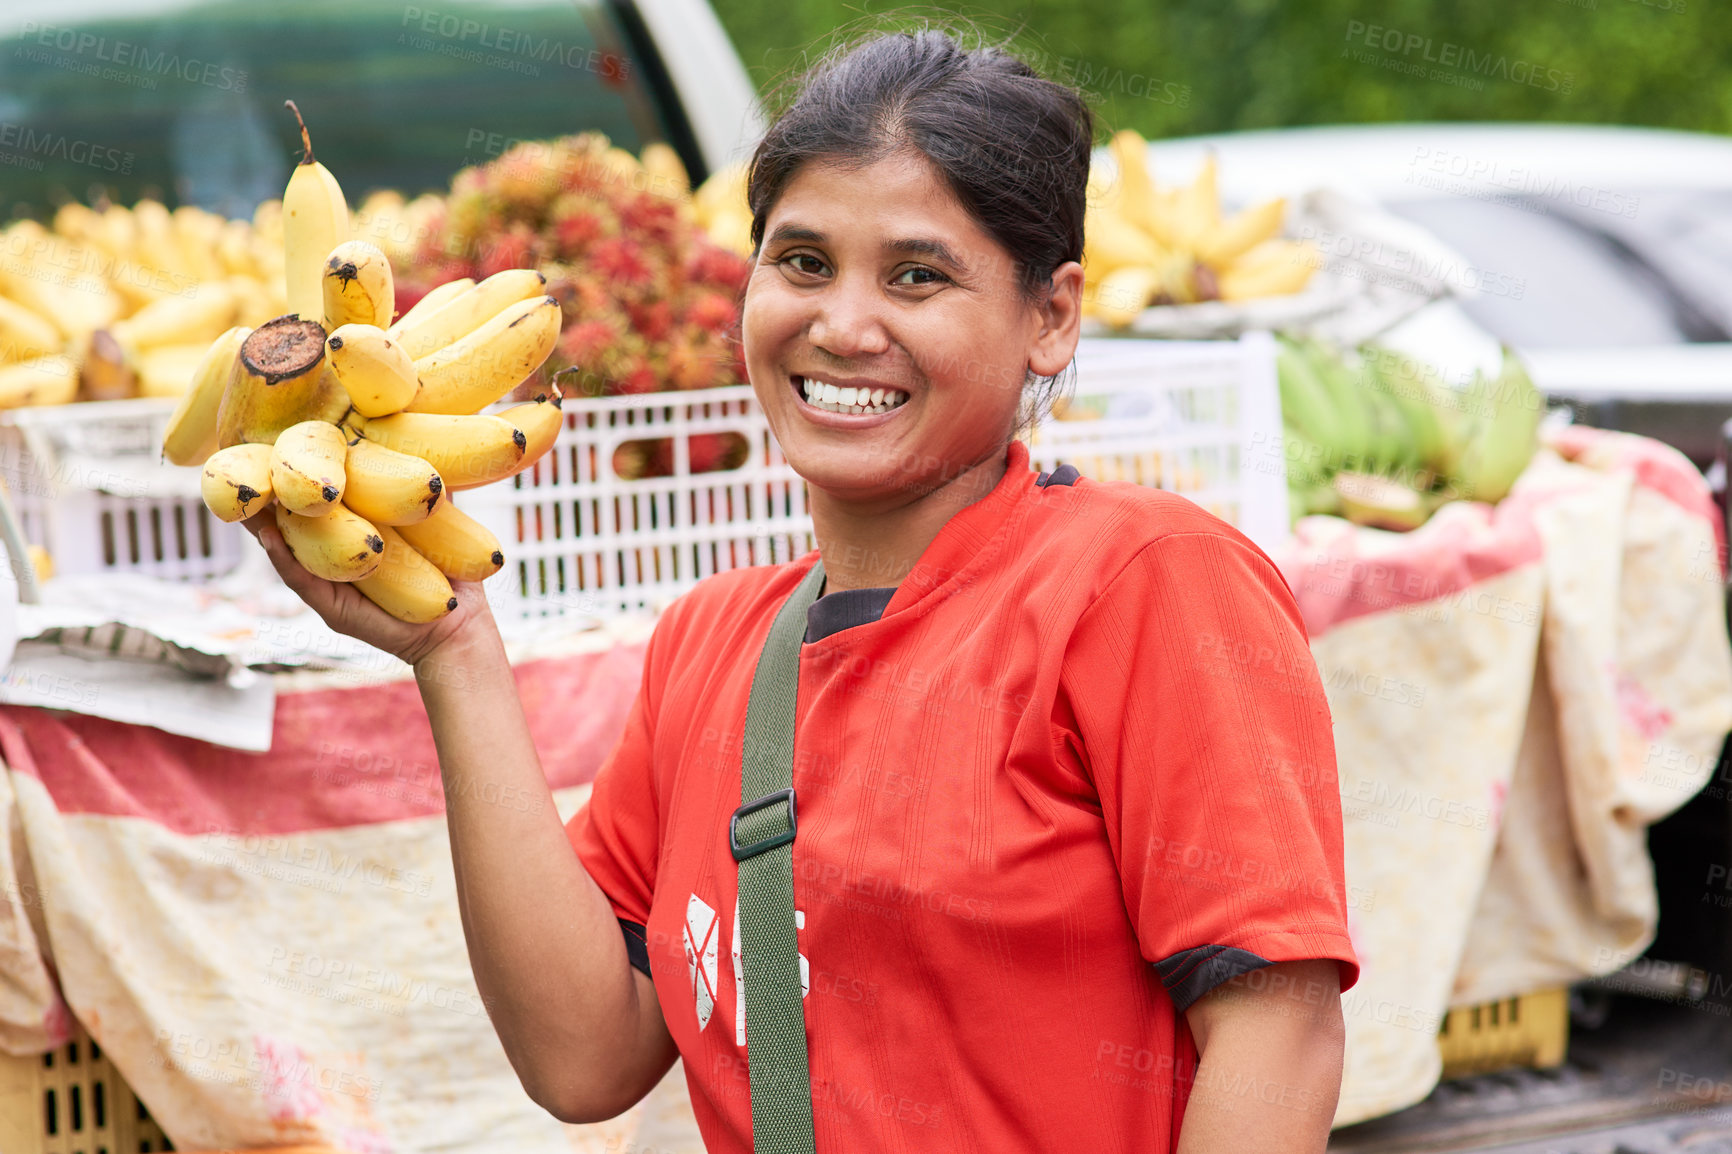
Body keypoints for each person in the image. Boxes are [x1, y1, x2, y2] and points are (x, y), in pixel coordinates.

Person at [250, 26, 1359, 1154]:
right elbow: (583, 1054)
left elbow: (1279, 1032)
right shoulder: (710, 641)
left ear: (1050, 315)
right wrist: (455, 651)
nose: (840, 326)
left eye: (917, 276)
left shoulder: (1140, 584)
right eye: (802, 262)